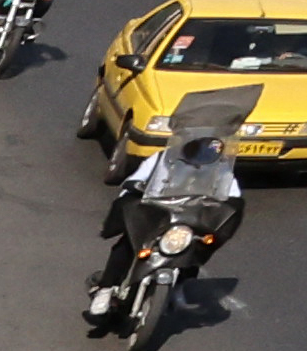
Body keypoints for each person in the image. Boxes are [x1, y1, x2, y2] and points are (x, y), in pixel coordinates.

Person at [89, 97, 251, 337]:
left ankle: (181, 285)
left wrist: (228, 208)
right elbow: (135, 181)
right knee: (126, 243)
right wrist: (133, 192)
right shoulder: (161, 159)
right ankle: (106, 287)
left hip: (189, 218)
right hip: (156, 216)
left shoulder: (221, 169)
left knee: (199, 246)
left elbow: (233, 195)